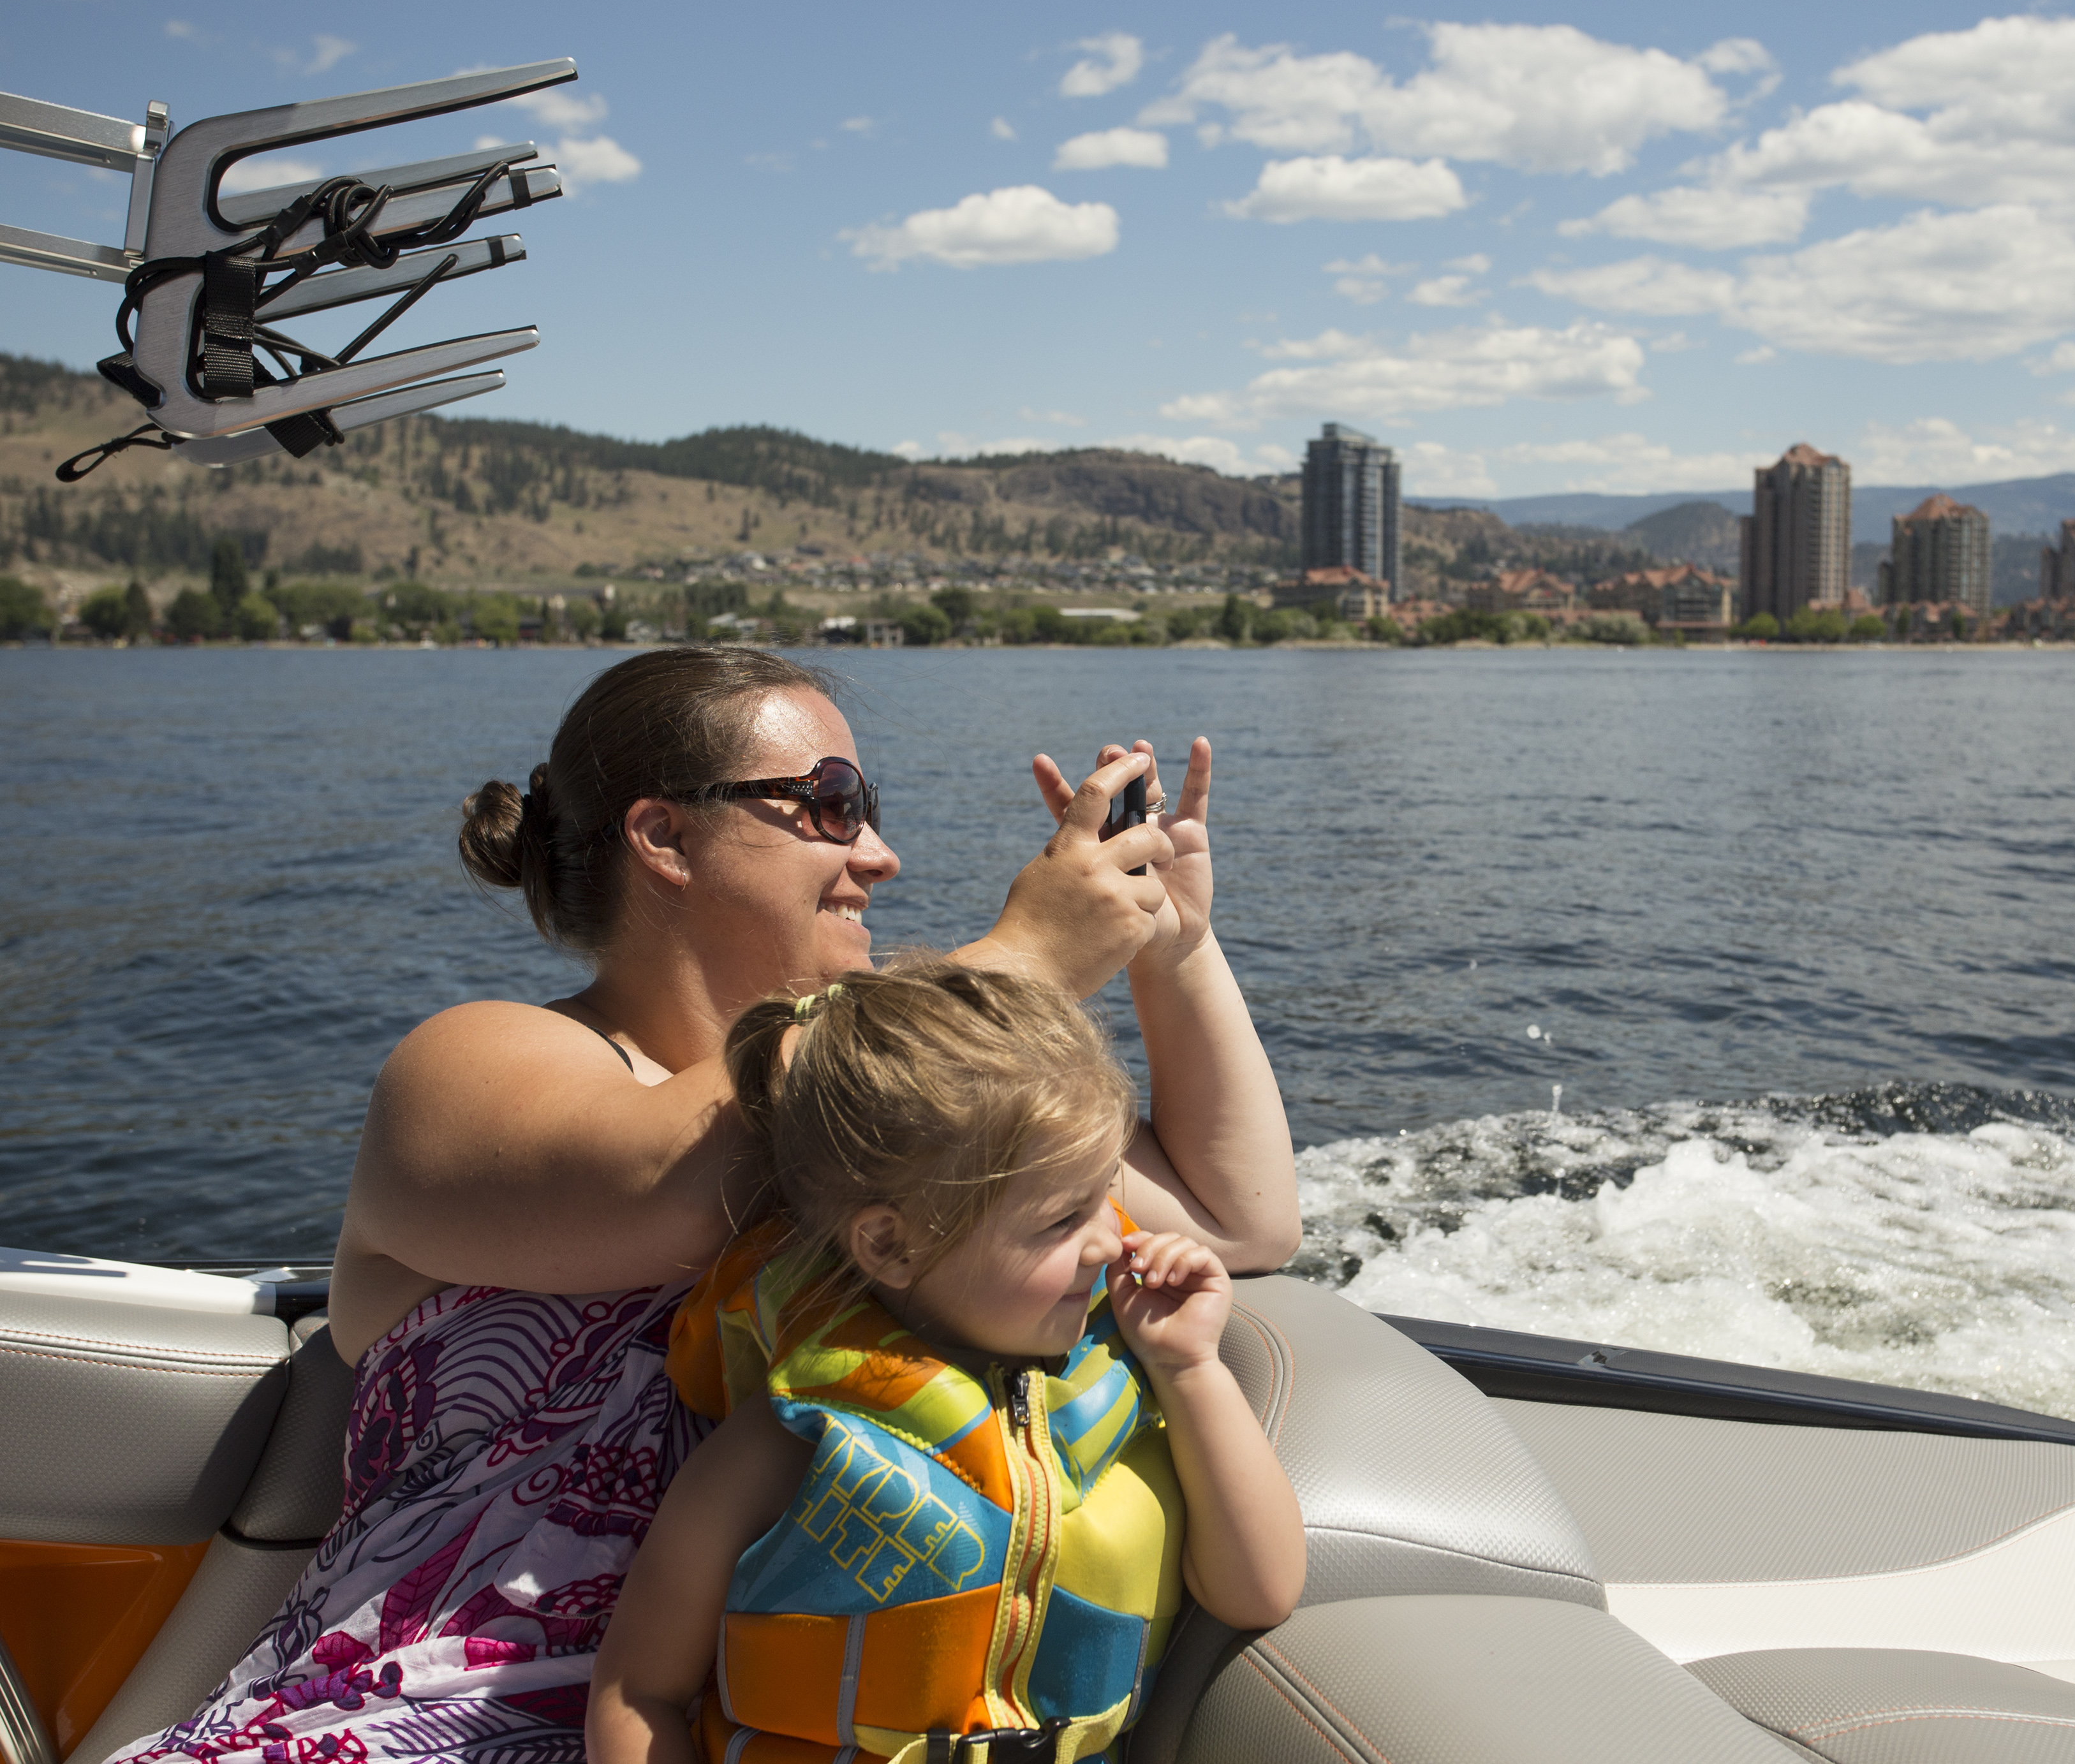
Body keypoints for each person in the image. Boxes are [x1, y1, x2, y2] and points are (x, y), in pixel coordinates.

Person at [103, 648, 1297, 1764]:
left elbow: (1237, 1220)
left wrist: (1171, 947)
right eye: (831, 802)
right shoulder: (472, 1062)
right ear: (664, 834)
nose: (878, 854)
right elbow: (667, 1187)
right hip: (404, 1723)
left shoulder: (903, 1121)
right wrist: (1023, 956)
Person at [588, 960, 1304, 1764]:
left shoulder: (1134, 1387)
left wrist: (1192, 1368)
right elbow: (635, 1692)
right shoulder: (783, 1444)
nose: (1113, 1237)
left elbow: (1262, 1588)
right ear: (890, 1243)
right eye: (1063, 1218)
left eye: (1109, 1192)